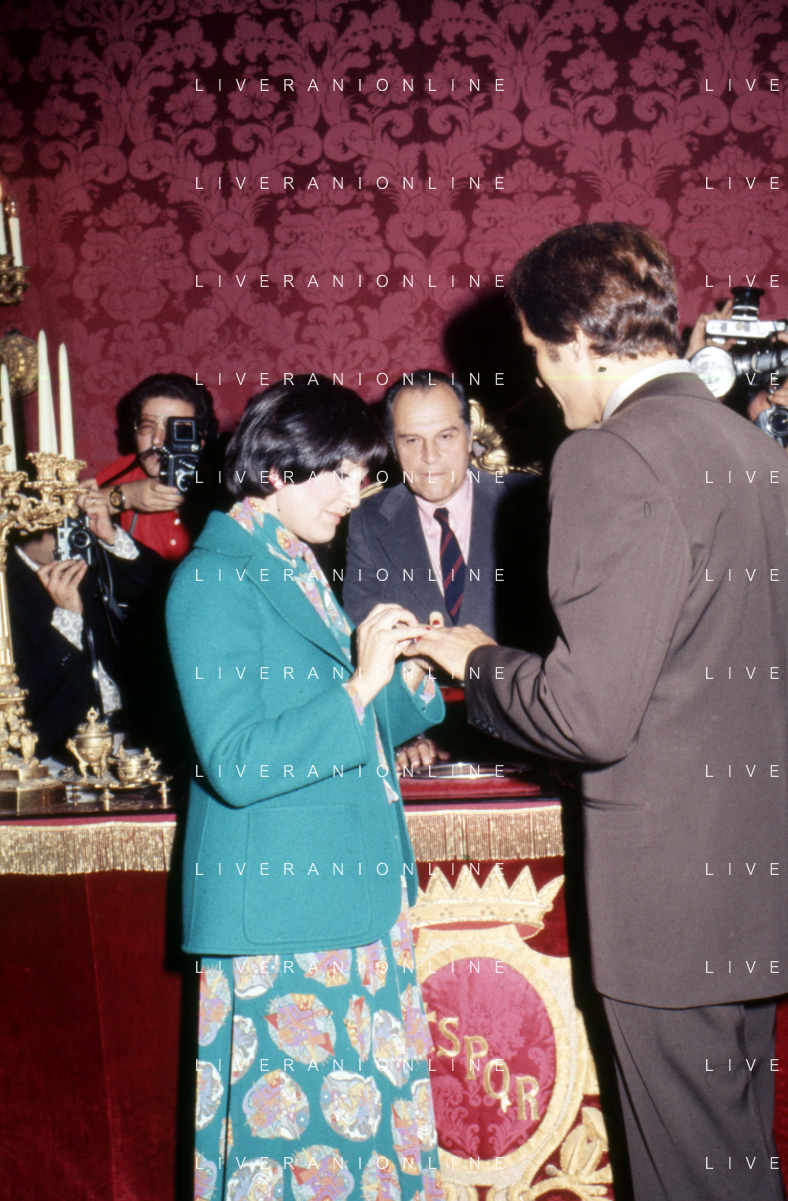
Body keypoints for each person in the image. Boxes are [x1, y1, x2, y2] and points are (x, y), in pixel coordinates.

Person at [416, 223, 788, 1201]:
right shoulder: (754, 451)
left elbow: (587, 716)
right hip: (755, 888)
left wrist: (476, 661)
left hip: (670, 908)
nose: (542, 382)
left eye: (539, 355)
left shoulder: (606, 458)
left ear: (580, 341)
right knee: (735, 1164)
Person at [166, 376, 446, 1201]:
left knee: (359, 1151)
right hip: (286, 922)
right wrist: (359, 684)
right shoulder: (214, 579)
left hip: (342, 905)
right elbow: (239, 762)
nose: (356, 495)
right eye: (341, 474)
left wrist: (409, 675)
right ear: (277, 468)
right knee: (304, 1159)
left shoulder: (289, 562)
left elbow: (339, 724)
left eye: (363, 475)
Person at [9, 481, 160, 759]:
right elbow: (27, 703)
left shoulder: (84, 551)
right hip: (66, 751)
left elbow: (163, 590)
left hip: (139, 738)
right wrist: (67, 619)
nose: (69, 531)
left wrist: (110, 536)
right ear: (23, 525)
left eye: (73, 519)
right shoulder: (7, 587)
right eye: (55, 524)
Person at [96, 373, 218, 561]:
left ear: (200, 439)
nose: (157, 440)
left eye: (174, 429)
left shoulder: (221, 479)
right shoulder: (123, 473)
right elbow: (64, 509)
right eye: (147, 425)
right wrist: (126, 496)